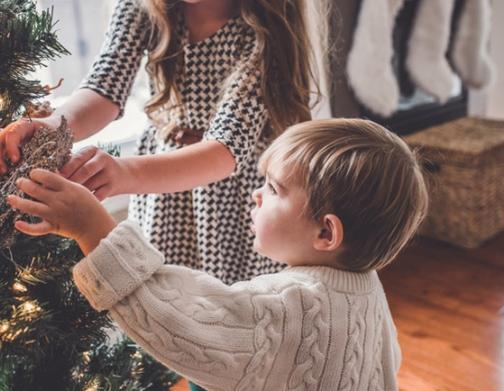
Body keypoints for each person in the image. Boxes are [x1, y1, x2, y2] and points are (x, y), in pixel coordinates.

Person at [7, 118, 428, 390]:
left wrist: (91, 227)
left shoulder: (290, 307)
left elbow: (177, 322)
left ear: (325, 231)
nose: (256, 194)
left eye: (275, 189)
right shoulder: (367, 288)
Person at [0, 0, 325, 284]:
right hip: (162, 194)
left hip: (234, 197)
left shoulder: (262, 30)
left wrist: (123, 175)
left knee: (224, 314)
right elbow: (104, 88)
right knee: (164, 308)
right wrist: (50, 126)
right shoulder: (143, 7)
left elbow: (226, 149)